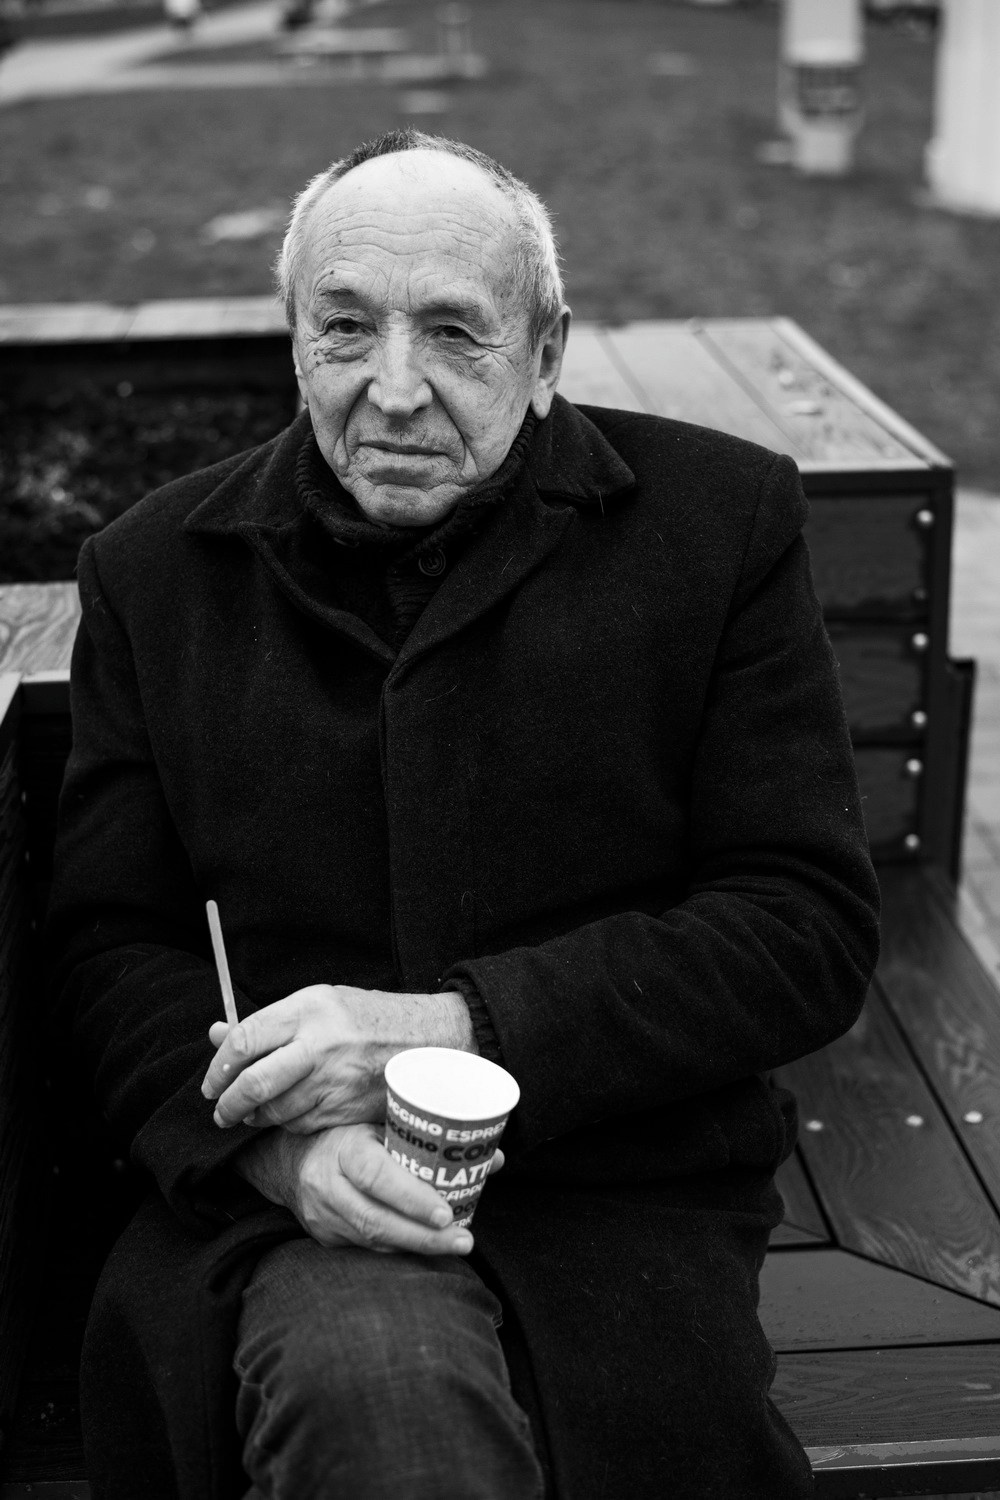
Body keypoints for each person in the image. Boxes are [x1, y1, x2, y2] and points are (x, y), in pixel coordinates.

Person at [48, 128, 880, 1500]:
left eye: (452, 332)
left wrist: (450, 1033)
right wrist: (277, 1155)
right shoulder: (155, 574)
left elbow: (803, 927)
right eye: (345, 327)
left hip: (614, 1186)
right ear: (294, 341)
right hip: (297, 1215)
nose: (393, 390)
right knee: (383, 1408)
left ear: (546, 355)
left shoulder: (716, 525)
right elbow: (108, 947)